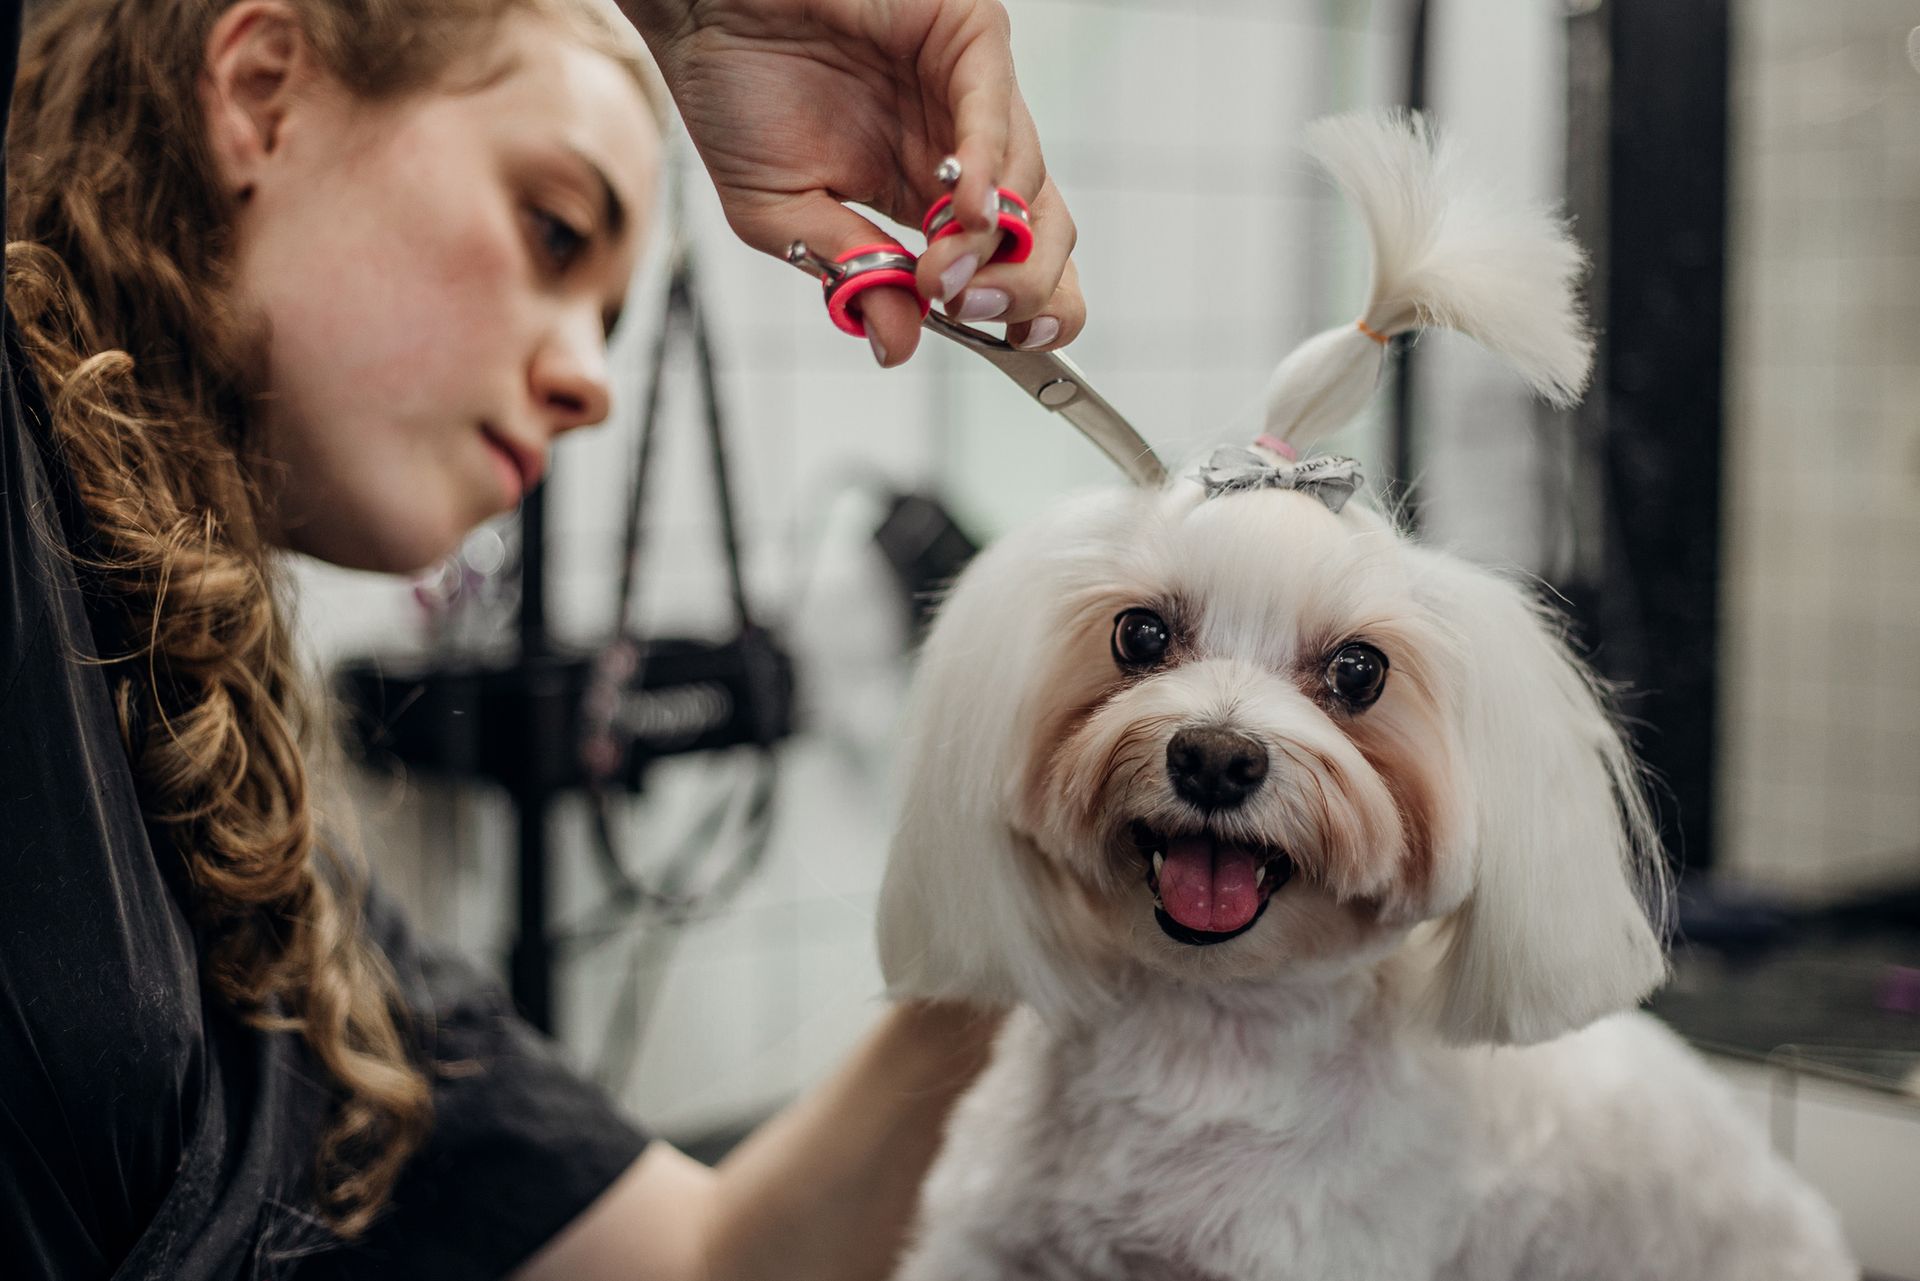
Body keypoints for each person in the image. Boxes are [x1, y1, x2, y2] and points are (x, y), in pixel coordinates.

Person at [0, 0, 1082, 1276]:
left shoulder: (257, 864)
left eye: (612, 317)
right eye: (554, 228)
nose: (594, 386)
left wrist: (1042, 912)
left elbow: (708, 1260)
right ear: (262, 88)